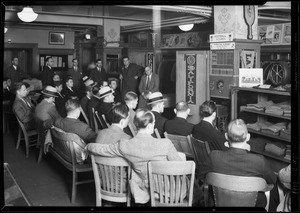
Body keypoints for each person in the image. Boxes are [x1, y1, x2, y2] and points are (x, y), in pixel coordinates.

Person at [84, 108, 183, 204]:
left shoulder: (125, 145)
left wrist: (88, 146)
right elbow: (180, 168)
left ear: (135, 125)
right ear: (149, 126)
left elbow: (104, 149)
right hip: (170, 190)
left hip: (145, 187)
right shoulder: (165, 143)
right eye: (153, 123)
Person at [200, 119, 276, 208]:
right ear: (248, 137)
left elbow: (201, 174)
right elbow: (272, 181)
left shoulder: (214, 156)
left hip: (220, 202)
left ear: (226, 136)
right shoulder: (259, 161)